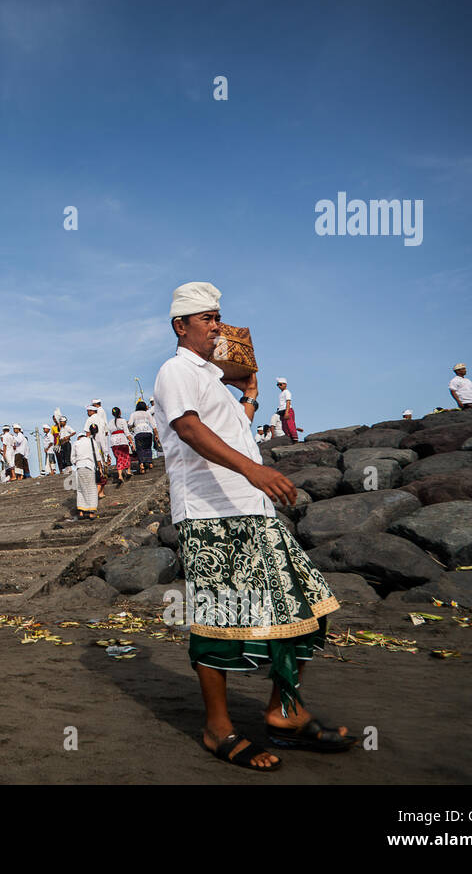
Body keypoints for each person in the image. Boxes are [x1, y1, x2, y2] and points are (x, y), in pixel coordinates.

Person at [155, 281, 350, 772]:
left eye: (219, 316)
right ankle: (218, 728)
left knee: (305, 604)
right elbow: (190, 429)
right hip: (209, 513)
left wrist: (250, 397)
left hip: (252, 510)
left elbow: (229, 427)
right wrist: (254, 469)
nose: (217, 325)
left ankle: (285, 711)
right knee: (218, 615)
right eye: (207, 318)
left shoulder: (214, 379)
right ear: (181, 326)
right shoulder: (175, 369)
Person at [71, 428, 99, 518]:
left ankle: (81, 511)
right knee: (92, 489)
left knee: (80, 489)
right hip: (89, 466)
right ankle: (91, 512)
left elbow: (72, 459)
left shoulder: (75, 443)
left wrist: (78, 462)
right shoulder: (91, 441)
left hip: (79, 467)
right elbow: (97, 457)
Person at [108, 407, 133, 484]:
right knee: (126, 456)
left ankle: (120, 475)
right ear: (120, 413)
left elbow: (109, 432)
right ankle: (128, 471)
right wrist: (131, 441)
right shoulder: (122, 421)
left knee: (119, 458)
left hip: (113, 441)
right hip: (122, 439)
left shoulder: (110, 422)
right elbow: (127, 432)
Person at [275, 378, 298, 442]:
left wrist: (287, 412)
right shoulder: (281, 394)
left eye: (280, 384)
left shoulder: (287, 392)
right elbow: (281, 403)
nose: (279, 386)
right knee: (284, 427)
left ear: (285, 384)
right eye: (278, 385)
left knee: (290, 425)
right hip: (281, 411)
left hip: (287, 410)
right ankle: (289, 439)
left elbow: (288, 402)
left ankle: (295, 439)